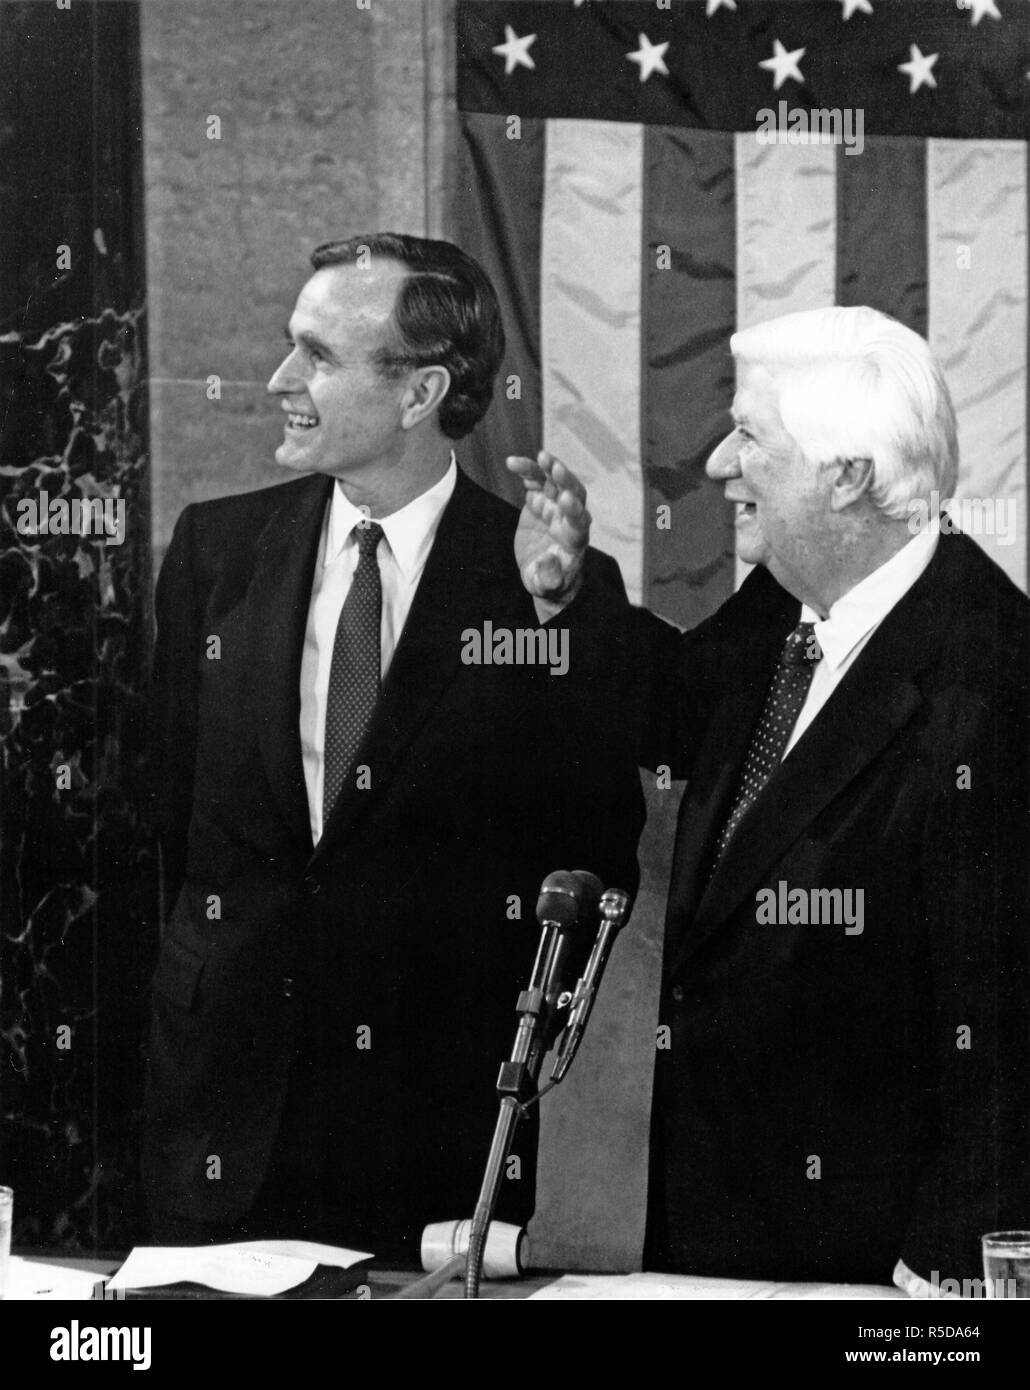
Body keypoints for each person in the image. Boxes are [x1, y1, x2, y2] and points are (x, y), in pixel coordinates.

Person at [143, 232, 643, 1259]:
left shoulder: (539, 585)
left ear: (420, 394)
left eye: (319, 356)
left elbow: (594, 854)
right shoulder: (215, 550)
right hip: (218, 1133)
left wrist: (560, 623)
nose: (281, 380)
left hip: (428, 1149)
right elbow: (157, 823)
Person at [510, 305, 1030, 1291]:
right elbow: (677, 706)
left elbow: (1005, 1033)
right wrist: (570, 596)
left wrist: (949, 1269)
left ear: (845, 478)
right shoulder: (783, 604)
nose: (715, 464)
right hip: (716, 1233)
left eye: (750, 436)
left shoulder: (994, 685)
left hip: (871, 1272)